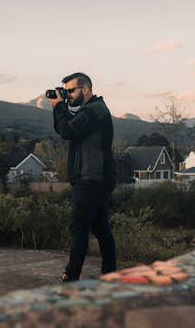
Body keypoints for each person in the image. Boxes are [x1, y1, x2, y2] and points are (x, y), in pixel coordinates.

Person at [49, 72, 117, 282]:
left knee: (78, 228)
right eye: (66, 91)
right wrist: (58, 106)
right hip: (94, 179)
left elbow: (68, 130)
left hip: (91, 178)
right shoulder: (91, 111)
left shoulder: (95, 110)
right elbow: (65, 127)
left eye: (71, 90)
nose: (68, 95)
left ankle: (71, 276)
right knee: (100, 228)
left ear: (85, 89)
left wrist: (59, 106)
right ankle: (110, 273)